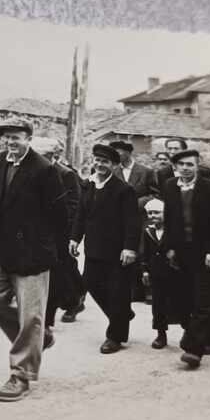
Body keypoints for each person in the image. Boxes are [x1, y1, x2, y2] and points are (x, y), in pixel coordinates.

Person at [0, 118, 67, 402]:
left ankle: (21, 374)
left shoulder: (44, 169)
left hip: (32, 255)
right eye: (5, 138)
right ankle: (39, 340)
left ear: (29, 138)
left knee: (31, 316)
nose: (10, 142)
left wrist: (48, 249)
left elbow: (59, 214)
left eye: (16, 137)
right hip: (0, 251)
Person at [161, 149, 210, 367]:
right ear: (175, 167)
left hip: (206, 252)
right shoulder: (170, 186)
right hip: (182, 252)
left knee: (204, 299)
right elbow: (170, 220)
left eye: (190, 164)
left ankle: (193, 348)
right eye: (181, 164)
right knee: (188, 298)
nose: (185, 168)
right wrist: (169, 248)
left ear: (197, 165)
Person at [71, 143, 140, 354]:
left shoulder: (124, 190)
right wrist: (74, 239)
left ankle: (115, 337)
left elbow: (132, 222)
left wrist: (129, 248)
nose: (100, 165)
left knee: (118, 292)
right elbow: (81, 215)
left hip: (117, 251)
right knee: (90, 282)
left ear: (114, 165)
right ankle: (121, 315)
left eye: (105, 162)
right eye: (97, 161)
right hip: (94, 248)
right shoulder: (89, 185)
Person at [42, 138, 86, 329]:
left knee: (62, 268)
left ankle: (73, 302)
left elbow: (74, 205)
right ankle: (74, 298)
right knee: (58, 269)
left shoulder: (66, 174)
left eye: (44, 156)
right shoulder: (35, 170)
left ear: (55, 156)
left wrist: (69, 234)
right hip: (41, 230)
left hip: (61, 231)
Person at [139, 199, 187, 349]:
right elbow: (144, 253)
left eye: (157, 212)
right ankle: (161, 334)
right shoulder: (148, 231)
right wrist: (145, 270)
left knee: (181, 302)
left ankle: (188, 331)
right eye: (150, 213)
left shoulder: (174, 230)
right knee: (158, 304)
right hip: (156, 273)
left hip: (175, 272)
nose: (153, 216)